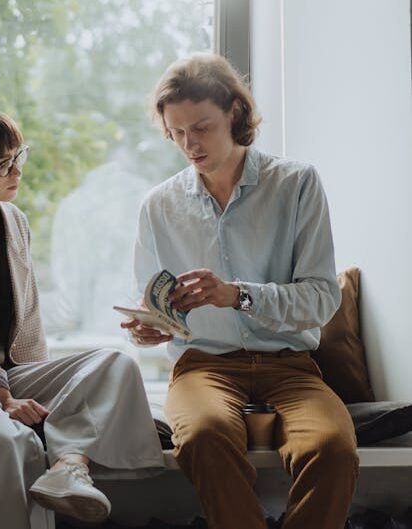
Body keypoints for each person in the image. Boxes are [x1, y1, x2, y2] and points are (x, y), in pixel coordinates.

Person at [0, 105, 163, 529]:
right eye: (3, 163)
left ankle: (68, 467)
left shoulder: (14, 220)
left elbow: (29, 315)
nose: (16, 170)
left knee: (115, 362)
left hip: (3, 370)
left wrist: (34, 383)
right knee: (6, 440)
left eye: (19, 155)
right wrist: (5, 399)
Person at [122, 53, 357, 529]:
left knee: (332, 449)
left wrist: (238, 295)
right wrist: (147, 330)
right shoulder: (158, 206)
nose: (190, 144)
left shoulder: (296, 184)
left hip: (292, 365)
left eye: (201, 127)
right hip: (202, 368)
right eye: (177, 133)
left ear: (235, 111)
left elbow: (322, 297)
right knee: (204, 437)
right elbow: (152, 307)